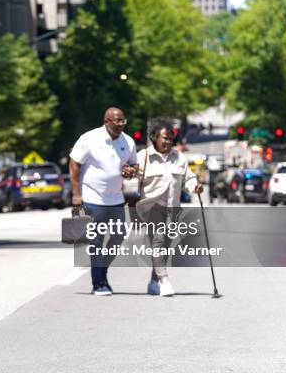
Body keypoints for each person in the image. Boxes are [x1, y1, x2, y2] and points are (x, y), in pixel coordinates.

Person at [69, 107, 138, 296]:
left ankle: (102, 271)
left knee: (117, 238)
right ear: (106, 121)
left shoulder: (128, 141)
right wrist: (76, 194)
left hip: (116, 199)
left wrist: (131, 171)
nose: (120, 125)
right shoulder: (89, 138)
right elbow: (74, 164)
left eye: (123, 121)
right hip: (93, 198)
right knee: (96, 242)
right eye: (117, 121)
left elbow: (134, 164)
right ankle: (98, 282)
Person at [136, 118, 203, 297]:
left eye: (170, 139)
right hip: (152, 207)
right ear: (154, 138)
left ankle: (153, 282)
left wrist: (195, 186)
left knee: (165, 246)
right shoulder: (144, 157)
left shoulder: (178, 157)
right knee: (158, 243)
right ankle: (164, 281)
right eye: (164, 138)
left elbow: (188, 177)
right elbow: (129, 176)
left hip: (172, 209)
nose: (167, 142)